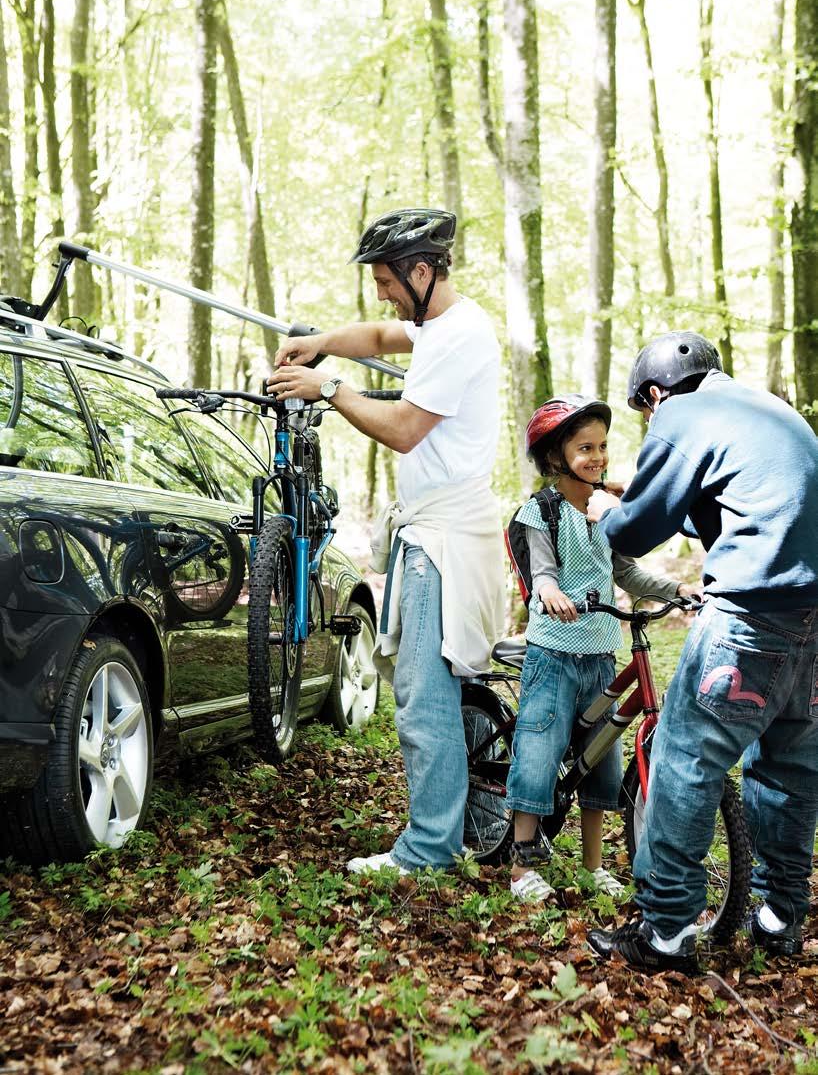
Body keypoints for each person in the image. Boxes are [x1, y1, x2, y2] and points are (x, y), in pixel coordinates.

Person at [267, 207, 505, 875]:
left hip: (446, 539)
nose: (381, 292)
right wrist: (321, 341)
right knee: (441, 690)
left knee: (423, 696)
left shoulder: (459, 336)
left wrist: (328, 384)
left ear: (423, 271)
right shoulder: (440, 324)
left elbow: (403, 428)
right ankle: (459, 834)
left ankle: (428, 849)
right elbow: (376, 332)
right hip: (437, 529)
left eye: (386, 279)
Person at [585, 330, 818, 973]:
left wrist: (608, 510)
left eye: (645, 413)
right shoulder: (761, 408)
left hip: (751, 617)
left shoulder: (680, 414)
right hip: (813, 619)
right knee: (789, 768)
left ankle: (665, 931)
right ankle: (780, 917)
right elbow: (729, 508)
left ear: (655, 394)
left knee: (685, 758)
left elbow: (637, 529)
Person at [505, 395, 697, 903]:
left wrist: (675, 590)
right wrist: (549, 593)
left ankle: (593, 864)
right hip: (554, 652)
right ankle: (522, 863)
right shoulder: (539, 512)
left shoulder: (603, 511)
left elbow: (625, 571)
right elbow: (542, 571)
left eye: (603, 446)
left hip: (600, 652)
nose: (597, 456)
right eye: (584, 447)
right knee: (540, 748)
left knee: (601, 758)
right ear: (555, 456)